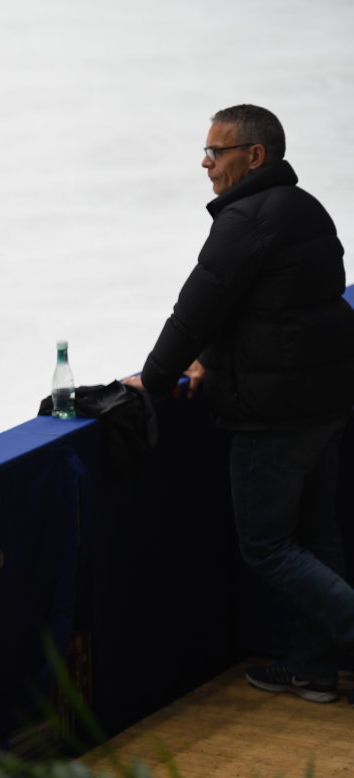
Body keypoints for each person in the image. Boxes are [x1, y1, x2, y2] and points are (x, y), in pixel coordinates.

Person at [124, 104, 354, 703]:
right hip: (326, 402)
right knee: (317, 534)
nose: (206, 164)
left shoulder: (245, 221)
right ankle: (315, 668)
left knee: (268, 545)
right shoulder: (307, 208)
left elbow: (198, 307)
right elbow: (275, 312)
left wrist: (156, 378)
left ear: (255, 156)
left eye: (216, 152)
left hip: (273, 414)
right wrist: (215, 359)